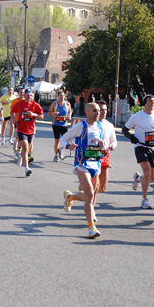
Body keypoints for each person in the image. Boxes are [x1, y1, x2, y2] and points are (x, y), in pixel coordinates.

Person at [61, 102, 105, 238]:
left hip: (95, 164)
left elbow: (104, 147)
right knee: (90, 194)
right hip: (82, 164)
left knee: (90, 195)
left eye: (98, 111)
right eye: (94, 111)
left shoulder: (100, 127)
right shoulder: (80, 126)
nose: (97, 113)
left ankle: (71, 196)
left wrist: (103, 146)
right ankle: (91, 227)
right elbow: (64, 138)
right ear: (87, 112)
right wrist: (68, 146)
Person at [122, 94, 154, 209]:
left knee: (152, 177)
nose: (153, 104)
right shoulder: (137, 117)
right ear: (145, 103)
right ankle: (144, 200)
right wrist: (131, 137)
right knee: (147, 172)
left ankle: (138, 178)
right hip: (141, 146)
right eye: (150, 101)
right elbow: (125, 129)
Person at [10, 89, 44, 176]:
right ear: (24, 96)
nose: (29, 97)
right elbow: (12, 111)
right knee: (25, 146)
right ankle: (26, 168)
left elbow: (41, 116)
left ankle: (20, 155)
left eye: (30, 96)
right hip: (21, 129)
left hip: (31, 130)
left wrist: (33, 114)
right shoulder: (19, 104)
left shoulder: (35, 105)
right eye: (27, 95)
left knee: (27, 148)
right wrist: (13, 119)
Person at [96, 100, 117, 196]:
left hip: (105, 156)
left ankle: (73, 196)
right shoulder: (90, 124)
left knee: (102, 188)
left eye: (105, 109)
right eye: (101, 109)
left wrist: (113, 145)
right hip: (93, 156)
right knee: (94, 188)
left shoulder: (109, 125)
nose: (104, 112)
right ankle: (91, 209)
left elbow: (114, 140)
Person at [48, 90, 73, 162]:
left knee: (65, 139)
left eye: (63, 96)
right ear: (58, 96)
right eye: (60, 96)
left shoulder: (67, 104)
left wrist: (69, 116)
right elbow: (49, 113)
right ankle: (56, 155)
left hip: (64, 125)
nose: (62, 97)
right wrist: (53, 113)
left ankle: (60, 149)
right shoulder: (54, 103)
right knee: (57, 141)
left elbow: (70, 111)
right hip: (56, 124)